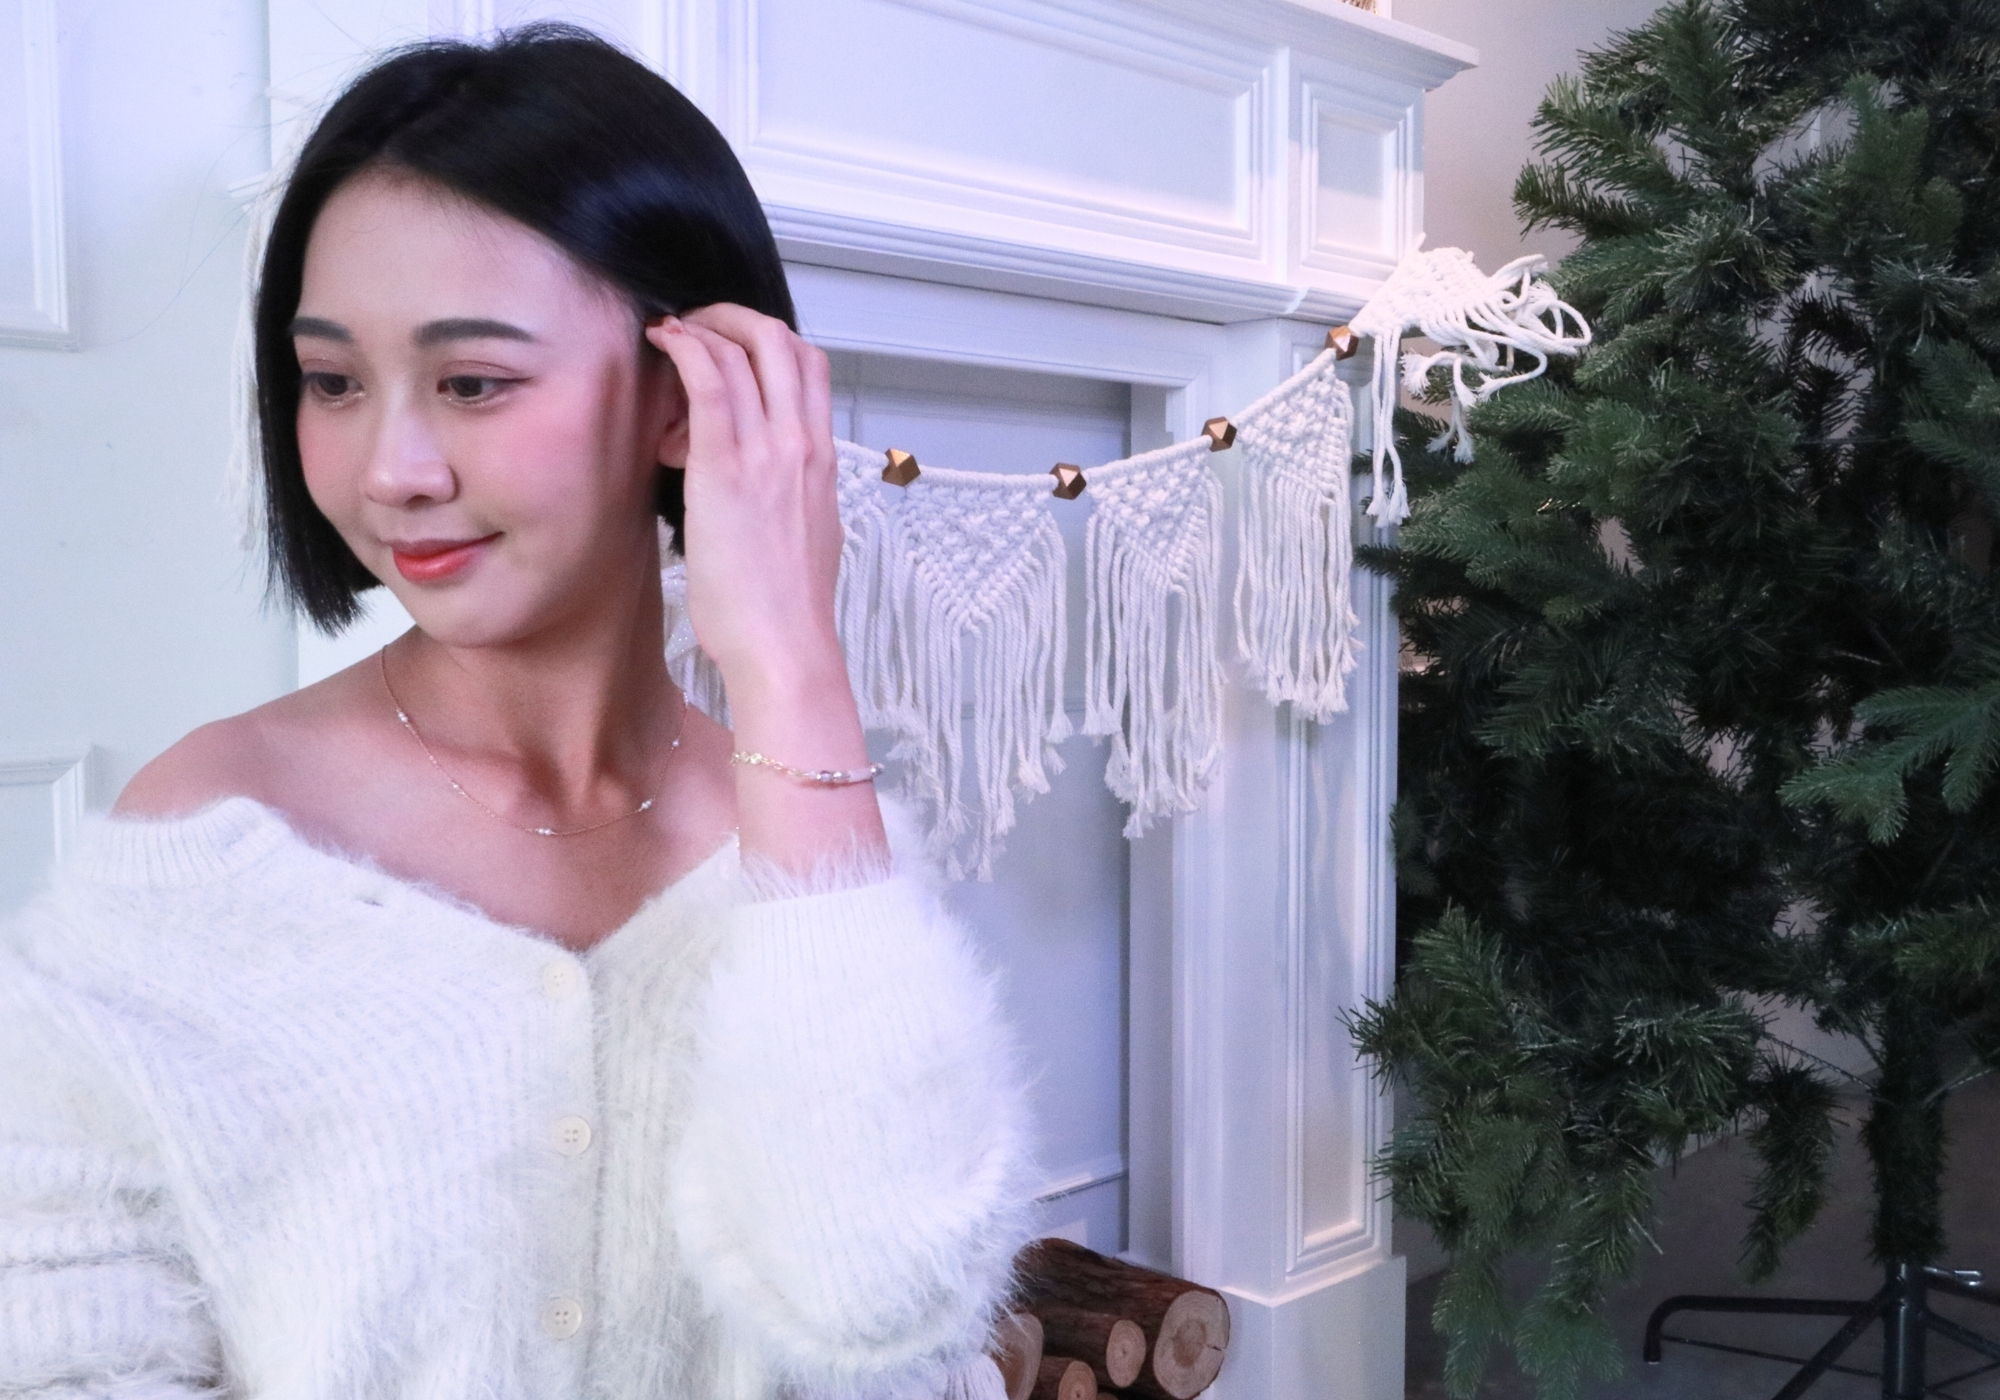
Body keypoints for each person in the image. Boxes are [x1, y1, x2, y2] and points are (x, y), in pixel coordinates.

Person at [0, 25, 1030, 1400]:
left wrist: (792, 664)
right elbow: (62, 1348)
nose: (392, 469)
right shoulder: (212, 839)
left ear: (684, 399)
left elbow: (882, 1315)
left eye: (473, 382)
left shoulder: (817, 854)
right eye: (333, 382)